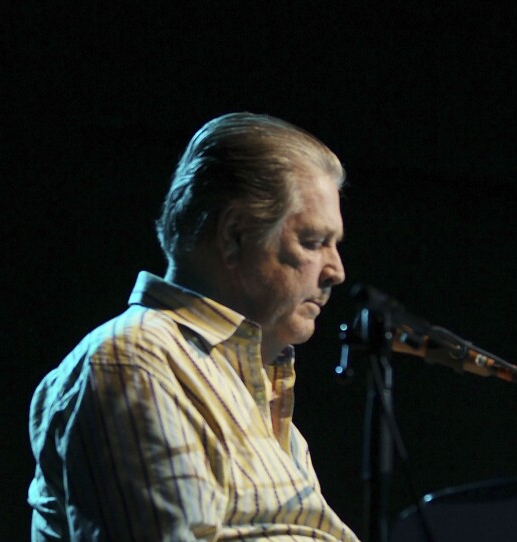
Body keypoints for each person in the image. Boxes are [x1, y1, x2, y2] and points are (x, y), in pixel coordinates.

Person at [28, 112, 359, 541]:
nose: (336, 271)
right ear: (235, 234)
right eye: (314, 242)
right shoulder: (137, 361)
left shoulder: (254, 390)